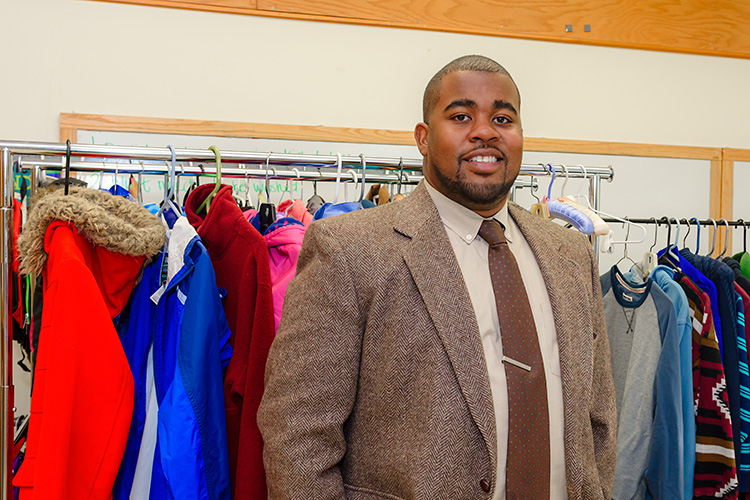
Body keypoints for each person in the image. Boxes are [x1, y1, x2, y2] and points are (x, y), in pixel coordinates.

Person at [258, 55, 617, 500]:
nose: (485, 131)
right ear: (423, 138)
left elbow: (597, 419)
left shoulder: (569, 253)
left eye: (502, 118)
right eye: (461, 116)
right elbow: (298, 435)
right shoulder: (348, 250)